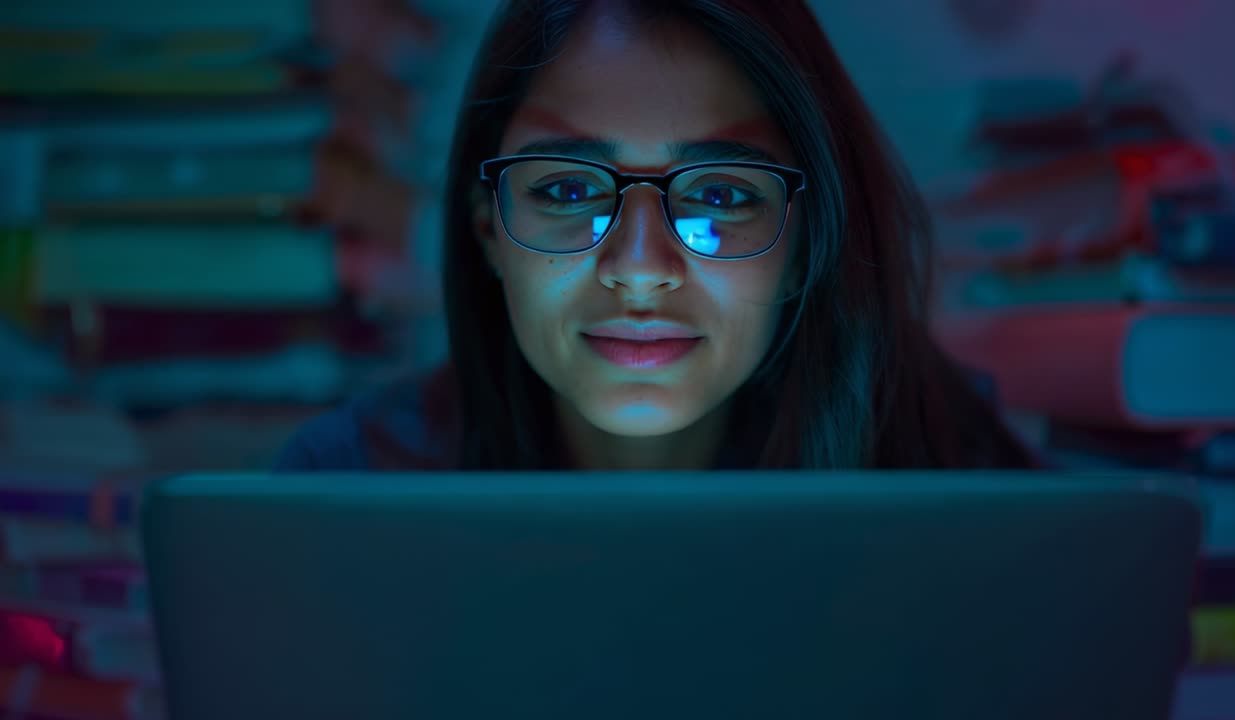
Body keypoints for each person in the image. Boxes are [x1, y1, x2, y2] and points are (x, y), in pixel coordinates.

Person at [276, 0, 1037, 471]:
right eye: (569, 190)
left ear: (805, 241)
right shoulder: (344, 484)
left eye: (721, 195)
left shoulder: (945, 471)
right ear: (488, 229)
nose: (639, 271)